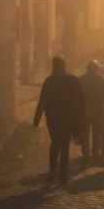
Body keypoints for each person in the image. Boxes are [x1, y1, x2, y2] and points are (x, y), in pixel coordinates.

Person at [34, 56, 85, 185]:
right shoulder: (72, 80)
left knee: (55, 144)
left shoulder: (49, 81)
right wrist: (80, 118)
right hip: (68, 118)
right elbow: (80, 100)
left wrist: (37, 119)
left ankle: (52, 172)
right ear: (64, 66)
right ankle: (63, 174)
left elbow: (43, 100)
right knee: (64, 146)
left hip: (53, 119)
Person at [80, 61, 104, 165]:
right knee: (96, 135)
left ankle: (86, 155)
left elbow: (78, 97)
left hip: (85, 111)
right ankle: (95, 156)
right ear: (96, 69)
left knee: (85, 135)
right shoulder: (101, 80)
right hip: (98, 111)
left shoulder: (81, 80)